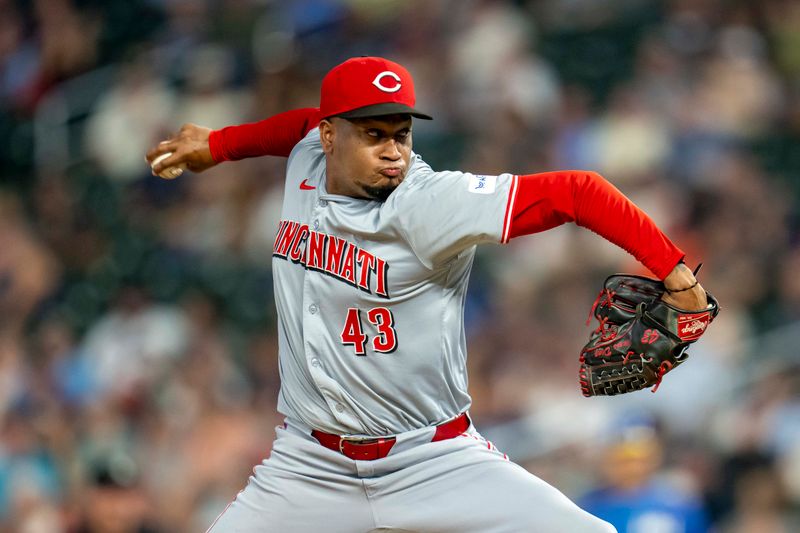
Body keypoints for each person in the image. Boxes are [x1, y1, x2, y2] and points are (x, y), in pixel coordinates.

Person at [146, 56, 709, 533]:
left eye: (401, 132)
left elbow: (579, 192)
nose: (393, 150)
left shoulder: (430, 201)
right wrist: (219, 146)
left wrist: (677, 276)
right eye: (373, 134)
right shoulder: (308, 156)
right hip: (307, 465)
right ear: (329, 136)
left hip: (431, 459)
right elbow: (295, 125)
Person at [578, 415, 709, 533]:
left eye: (641, 461)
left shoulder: (680, 505)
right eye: (624, 461)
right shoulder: (589, 508)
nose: (633, 469)